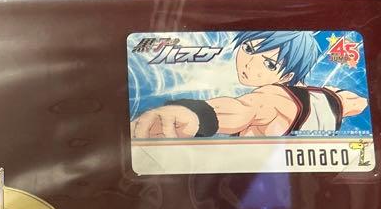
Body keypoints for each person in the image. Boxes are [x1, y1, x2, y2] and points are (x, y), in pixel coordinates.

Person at [130, 31, 368, 140]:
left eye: (269, 63)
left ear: (288, 75)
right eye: (248, 48)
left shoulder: (270, 98)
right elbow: (358, 102)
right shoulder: (331, 98)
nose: (248, 64)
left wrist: (190, 115)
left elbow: (240, 109)